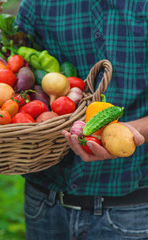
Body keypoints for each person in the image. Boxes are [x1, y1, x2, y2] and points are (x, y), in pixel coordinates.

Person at [15, 0, 148, 239]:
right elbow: (15, 75)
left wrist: (130, 130)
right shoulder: (38, 4)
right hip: (45, 202)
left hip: (130, 207)